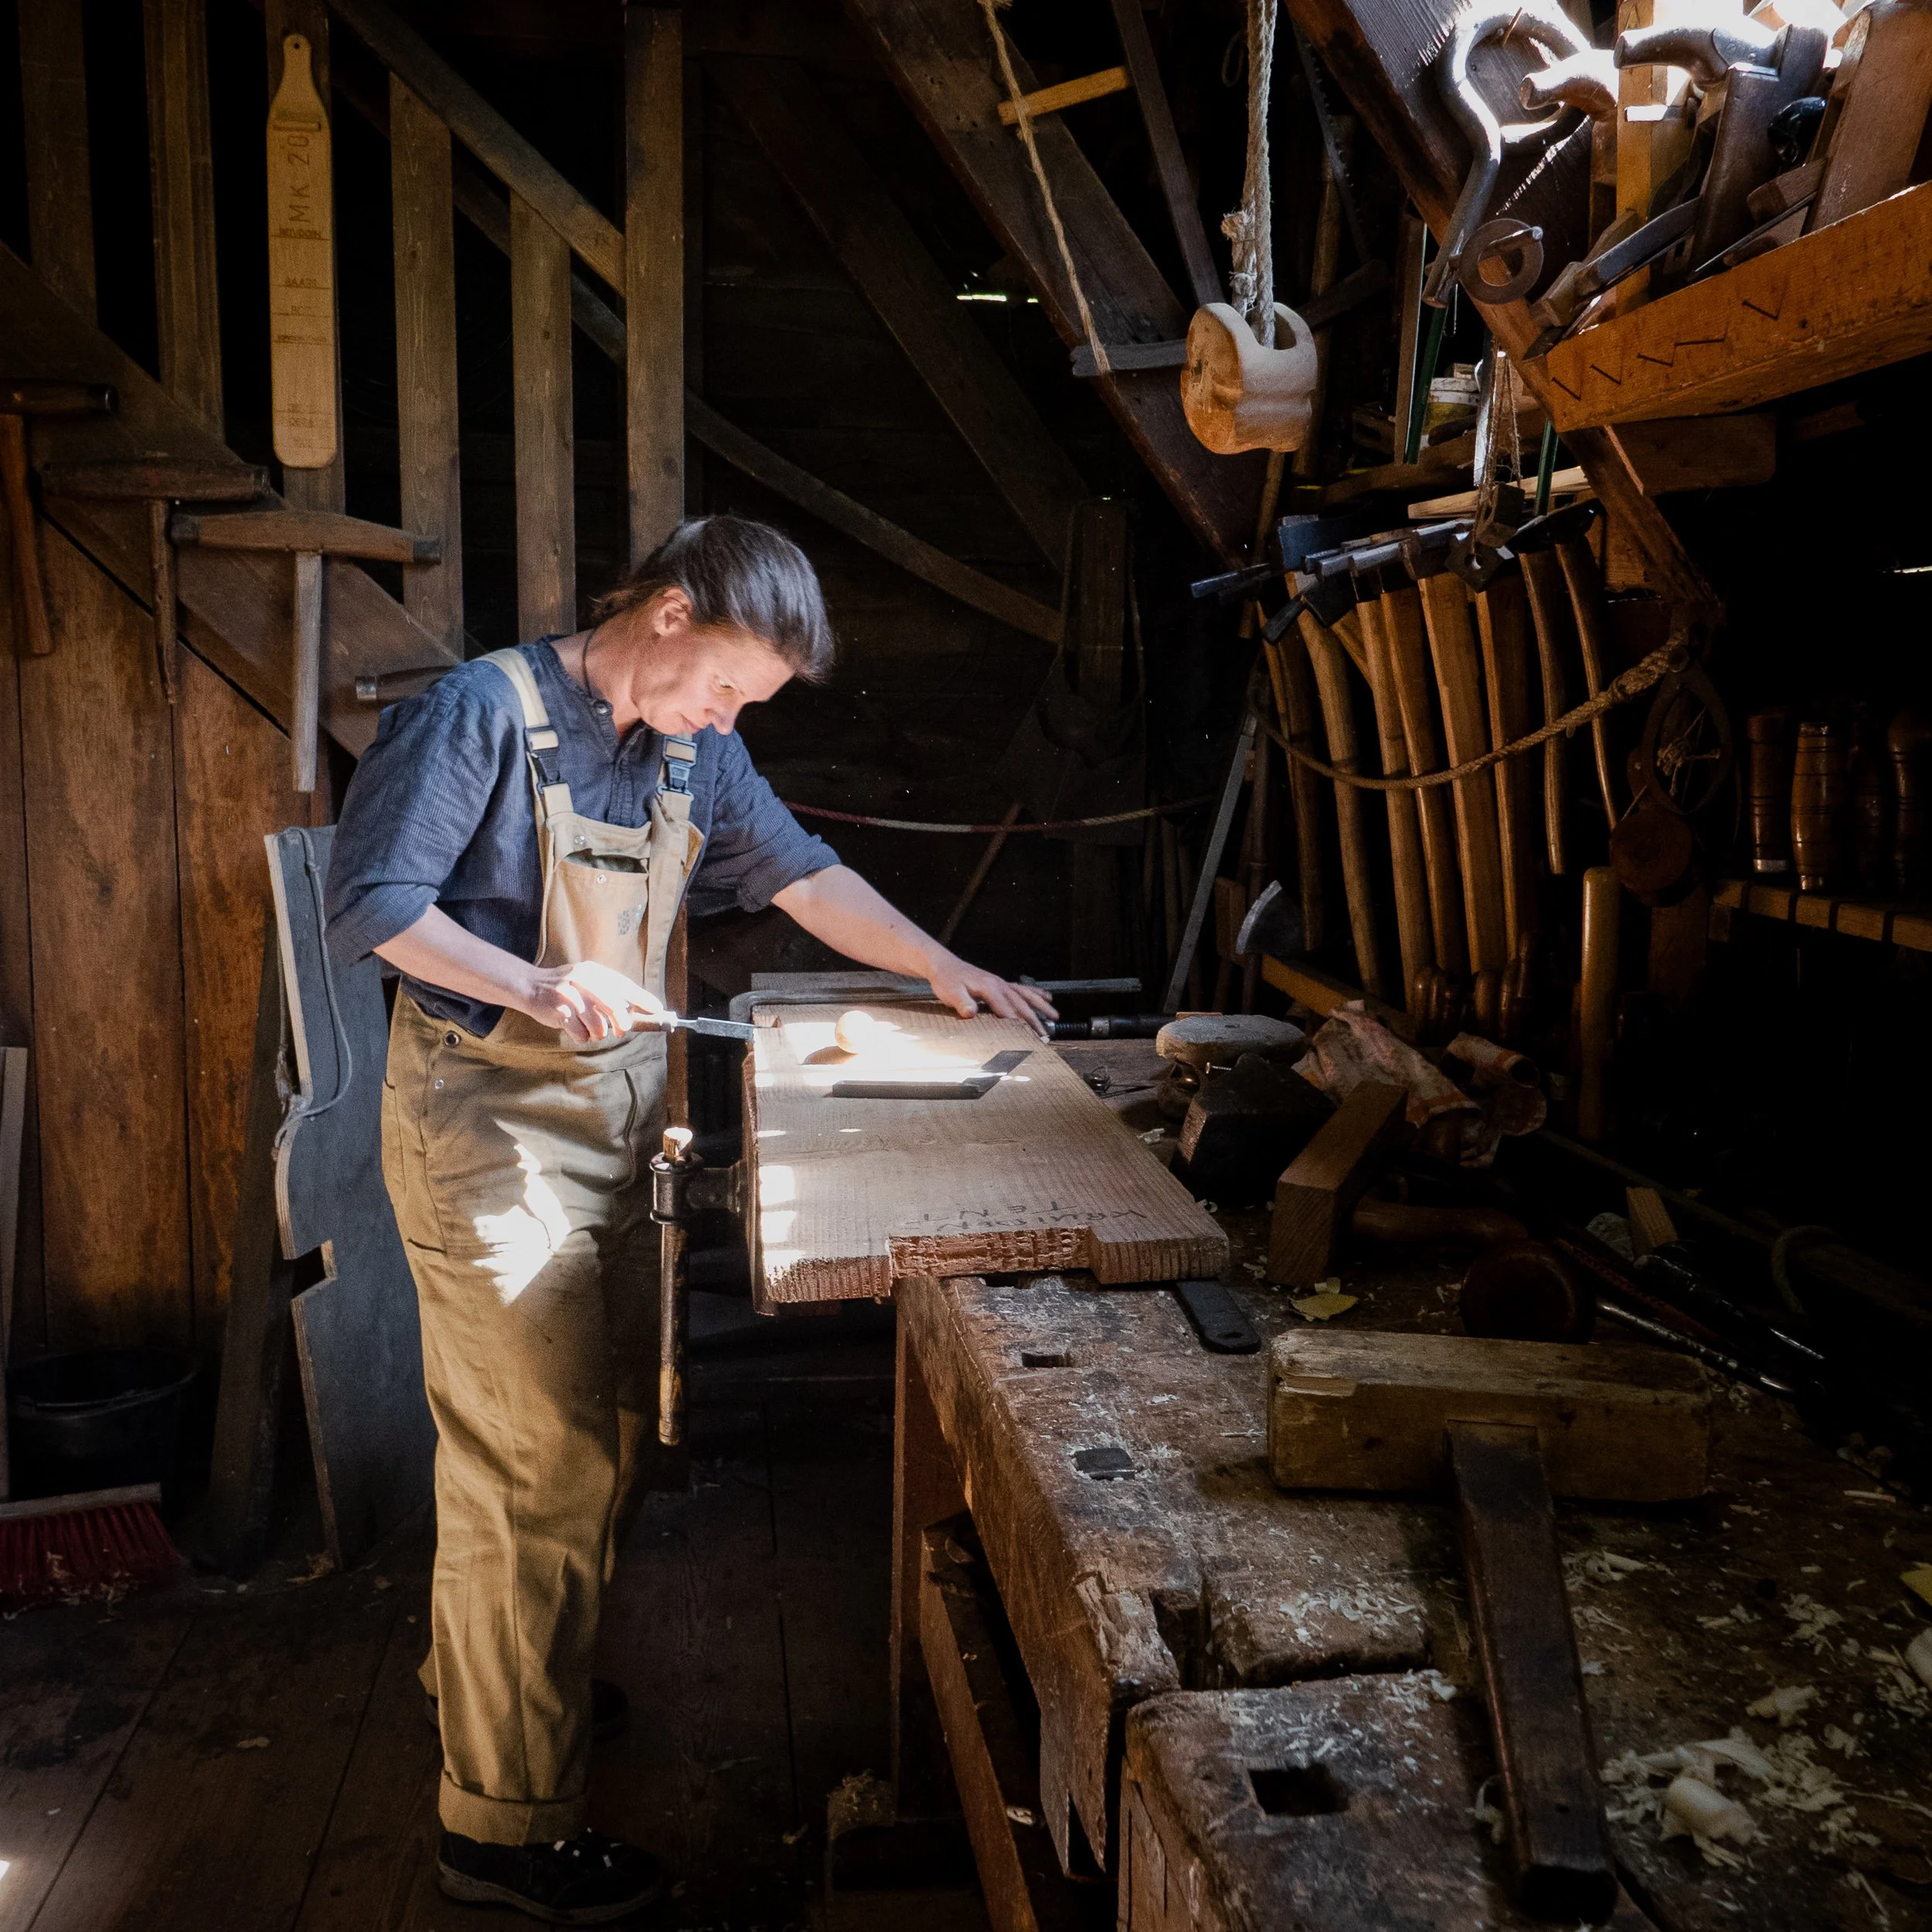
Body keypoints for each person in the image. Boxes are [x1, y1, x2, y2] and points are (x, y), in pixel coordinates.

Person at [325, 515, 1055, 1923]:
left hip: (605, 1124)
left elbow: (798, 870)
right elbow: (375, 908)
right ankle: (501, 1832)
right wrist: (534, 987)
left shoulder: (690, 749)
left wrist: (941, 964)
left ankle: (482, 1680)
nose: (729, 720)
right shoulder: (479, 713)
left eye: (747, 708)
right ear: (669, 615)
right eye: (726, 687)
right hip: (485, 1131)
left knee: (591, 1436)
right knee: (531, 1466)